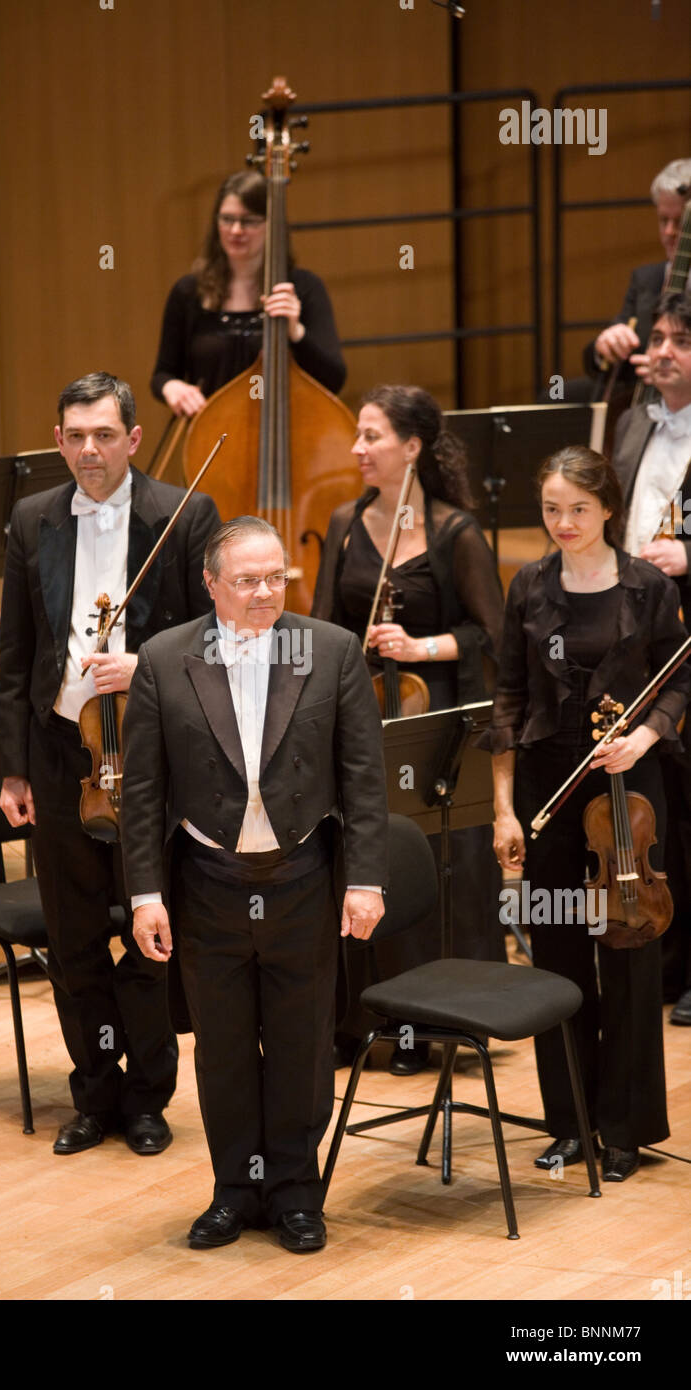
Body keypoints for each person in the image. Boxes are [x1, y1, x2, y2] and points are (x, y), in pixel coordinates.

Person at [120, 516, 388, 1252]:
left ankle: (299, 1195)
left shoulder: (330, 651)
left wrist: (366, 880)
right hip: (208, 884)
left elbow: (366, 781)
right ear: (211, 585)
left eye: (276, 577)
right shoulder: (163, 658)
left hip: (303, 879)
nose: (266, 592)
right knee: (225, 1047)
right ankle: (235, 1190)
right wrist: (146, 895)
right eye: (247, 581)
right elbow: (141, 793)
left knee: (303, 1045)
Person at [0, 372, 220, 1158]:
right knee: (75, 937)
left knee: (150, 934)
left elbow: (215, 640)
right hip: (63, 755)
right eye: (75, 436)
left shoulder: (182, 516)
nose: (89, 451)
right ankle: (93, 1093)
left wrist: (145, 663)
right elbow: (17, 651)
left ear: (131, 436)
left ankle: (148, 1096)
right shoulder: (32, 520)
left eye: (104, 435)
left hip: (150, 760)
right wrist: (14, 768)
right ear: (58, 441)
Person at [488, 446, 689, 1183]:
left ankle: (625, 1125)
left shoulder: (648, 587)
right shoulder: (528, 585)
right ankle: (568, 1120)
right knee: (558, 950)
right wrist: (506, 809)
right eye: (550, 510)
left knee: (628, 950)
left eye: (578, 508)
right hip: (550, 786)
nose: (563, 523)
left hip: (628, 793)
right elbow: (508, 697)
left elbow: (678, 678)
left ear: (607, 507)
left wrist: (644, 735)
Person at [312, 384, 506, 1074]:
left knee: (437, 862)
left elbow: (493, 635)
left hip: (435, 720)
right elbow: (325, 624)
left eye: (372, 437)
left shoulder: (455, 532)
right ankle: (372, 1018)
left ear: (412, 447)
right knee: (372, 855)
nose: (358, 449)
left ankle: (436, 1023)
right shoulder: (344, 523)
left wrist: (420, 648)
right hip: (364, 714)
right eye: (359, 437)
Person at [611, 287, 691, 1026]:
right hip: (643, 637)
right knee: (659, 805)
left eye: (679, 341)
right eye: (657, 337)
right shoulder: (636, 423)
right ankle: (666, 958)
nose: (661, 350)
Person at [150, 169, 346, 416]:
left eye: (249, 221)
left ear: (272, 225)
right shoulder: (189, 292)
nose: (235, 231)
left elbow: (334, 380)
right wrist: (172, 387)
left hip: (290, 437)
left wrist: (296, 333)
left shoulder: (304, 288)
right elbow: (162, 373)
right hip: (212, 437)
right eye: (227, 219)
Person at [588, 160, 690, 390]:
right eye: (664, 220)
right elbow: (606, 355)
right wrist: (604, 346)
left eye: (680, 221)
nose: (669, 232)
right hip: (642, 401)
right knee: (557, 397)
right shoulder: (646, 279)